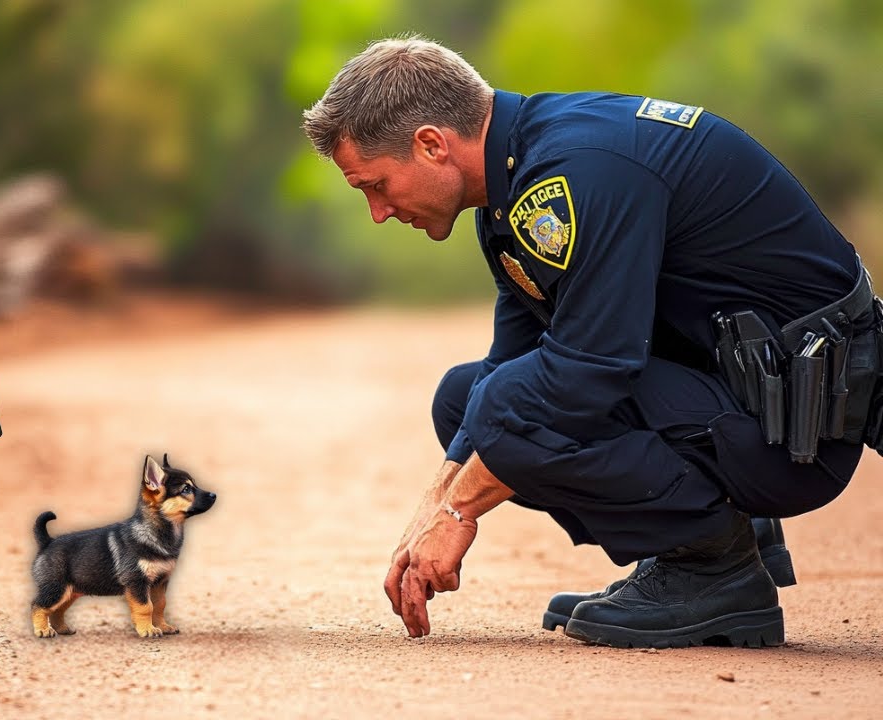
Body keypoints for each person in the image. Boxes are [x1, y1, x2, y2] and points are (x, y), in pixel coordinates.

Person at [302, 36, 881, 648]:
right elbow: (512, 360)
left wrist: (458, 513)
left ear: (431, 144)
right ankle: (712, 538)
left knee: (505, 403)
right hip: (745, 399)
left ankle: (713, 568)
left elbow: (590, 369)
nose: (378, 211)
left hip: (795, 433)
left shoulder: (574, 172)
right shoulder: (517, 182)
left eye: (376, 185)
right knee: (464, 398)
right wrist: (432, 501)